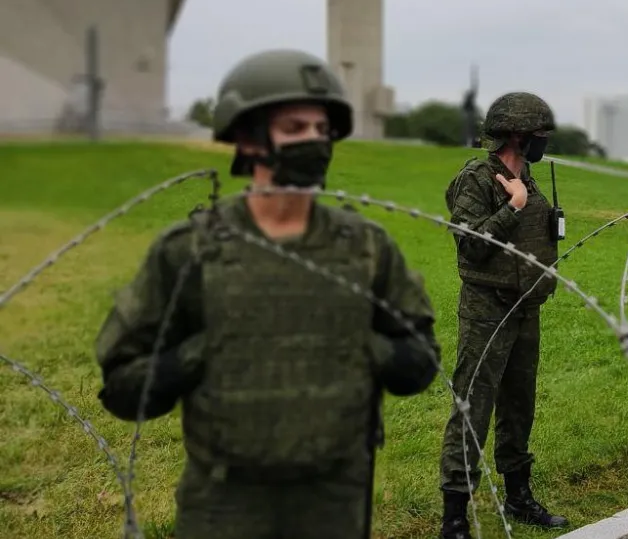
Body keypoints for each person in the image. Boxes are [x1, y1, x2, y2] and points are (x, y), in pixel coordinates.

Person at [94, 49, 442, 539]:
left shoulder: (365, 248)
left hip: (335, 499)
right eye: (295, 128)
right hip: (226, 503)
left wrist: (358, 346)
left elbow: (420, 360)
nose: (315, 143)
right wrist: (206, 351)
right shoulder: (191, 252)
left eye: (323, 131)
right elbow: (124, 387)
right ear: (248, 136)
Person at [439, 92, 567, 539]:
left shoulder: (529, 176)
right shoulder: (476, 179)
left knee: (519, 407)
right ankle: (455, 516)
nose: (543, 143)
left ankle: (518, 497)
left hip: (525, 306)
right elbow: (471, 243)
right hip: (487, 309)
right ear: (517, 135)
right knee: (472, 405)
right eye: (539, 136)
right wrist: (511, 207)